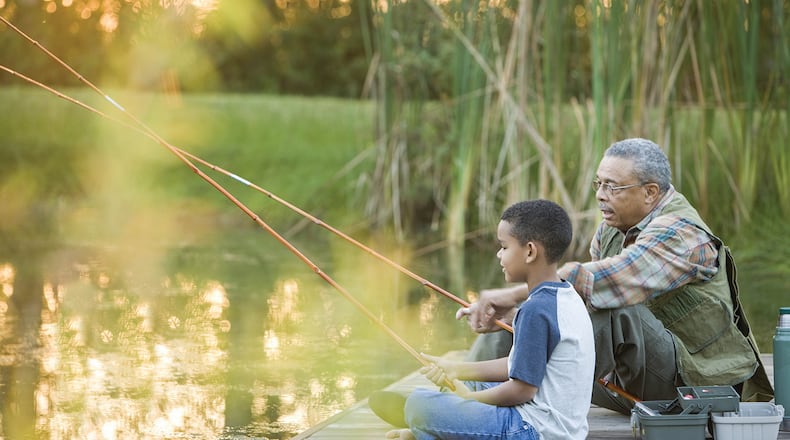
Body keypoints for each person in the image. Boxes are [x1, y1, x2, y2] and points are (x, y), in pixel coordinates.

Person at [459, 138, 774, 415]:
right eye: (598, 184)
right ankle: (460, 395)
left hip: (692, 386)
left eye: (612, 187)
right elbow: (573, 306)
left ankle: (506, 402)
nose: (600, 195)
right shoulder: (609, 229)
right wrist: (520, 316)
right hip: (625, 381)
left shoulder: (680, 233)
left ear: (650, 192)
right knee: (527, 315)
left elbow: (606, 283)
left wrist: (513, 293)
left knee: (611, 308)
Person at [370, 199, 595, 440]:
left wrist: (468, 400)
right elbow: (518, 365)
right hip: (556, 426)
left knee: (420, 404)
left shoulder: (536, 310)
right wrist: (455, 369)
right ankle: (427, 429)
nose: (499, 254)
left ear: (530, 251)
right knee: (461, 385)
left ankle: (424, 423)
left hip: (534, 430)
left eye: (504, 247)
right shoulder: (565, 295)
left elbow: (522, 390)